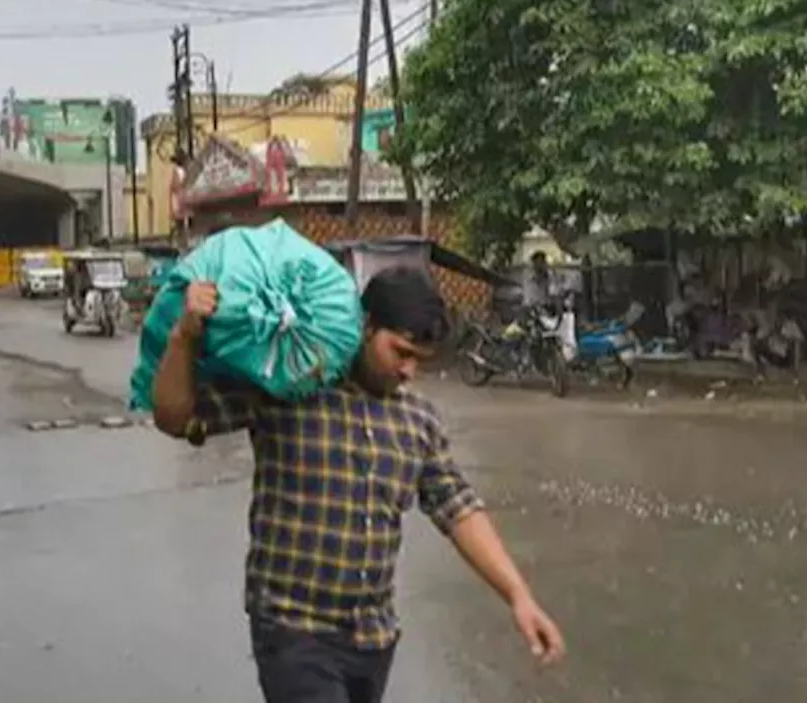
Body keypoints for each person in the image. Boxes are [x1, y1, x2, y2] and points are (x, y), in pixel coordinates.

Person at [152, 266, 564, 703]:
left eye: (419, 361)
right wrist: (184, 337)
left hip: (374, 639)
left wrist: (519, 596)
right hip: (294, 631)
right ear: (366, 326)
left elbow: (458, 508)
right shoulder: (291, 385)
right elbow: (175, 418)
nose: (408, 371)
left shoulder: (417, 419)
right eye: (400, 352)